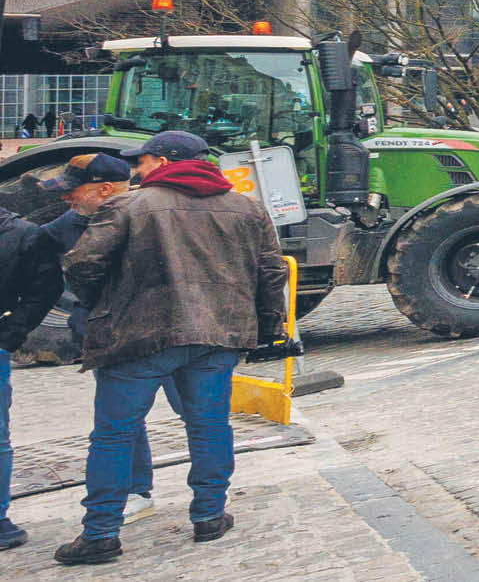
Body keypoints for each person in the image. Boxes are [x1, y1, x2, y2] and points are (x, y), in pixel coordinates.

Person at [53, 131, 287, 565]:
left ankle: (101, 532)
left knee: (113, 434)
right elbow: (272, 273)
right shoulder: (246, 208)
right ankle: (210, 515)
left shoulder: (127, 206)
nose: (135, 171)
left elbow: (83, 265)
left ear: (162, 161)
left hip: (140, 338)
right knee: (210, 426)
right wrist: (269, 329)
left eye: (139, 163)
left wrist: (103, 305)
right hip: (216, 336)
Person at [36, 155, 169, 527]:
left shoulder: (160, 212)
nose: (65, 199)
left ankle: (210, 505)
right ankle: (136, 491)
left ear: (105, 189)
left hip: (170, 330)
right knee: (122, 421)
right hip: (112, 336)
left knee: (199, 417)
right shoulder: (68, 226)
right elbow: (34, 263)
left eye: (71, 191)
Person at [0, 175, 66, 550]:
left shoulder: (24, 235)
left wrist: (11, 334)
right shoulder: (26, 234)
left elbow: (45, 290)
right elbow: (46, 290)